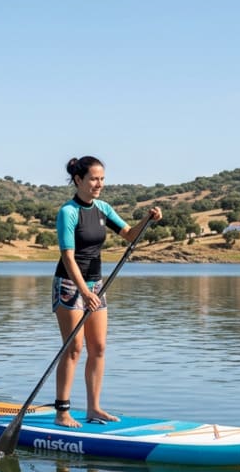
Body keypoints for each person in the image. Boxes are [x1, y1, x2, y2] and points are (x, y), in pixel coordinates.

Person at [52, 155, 161, 428]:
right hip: (69, 285)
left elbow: (130, 234)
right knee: (74, 348)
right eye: (94, 179)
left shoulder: (103, 208)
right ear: (79, 180)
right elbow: (68, 257)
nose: (99, 184)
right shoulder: (68, 212)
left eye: (102, 179)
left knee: (98, 347)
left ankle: (94, 409)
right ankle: (62, 412)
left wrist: (148, 219)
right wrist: (83, 291)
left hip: (97, 285)